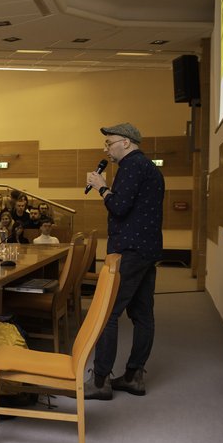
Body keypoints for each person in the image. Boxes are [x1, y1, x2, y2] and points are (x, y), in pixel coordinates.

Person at [84, 123, 165, 399]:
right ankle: (133, 376)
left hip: (129, 251)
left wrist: (102, 187)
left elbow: (118, 207)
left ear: (127, 143)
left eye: (109, 143)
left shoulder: (131, 167)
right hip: (147, 250)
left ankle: (100, 381)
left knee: (108, 313)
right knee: (143, 315)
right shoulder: (151, 168)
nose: (105, 149)